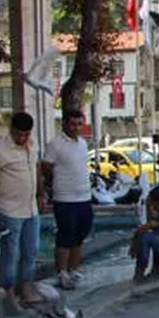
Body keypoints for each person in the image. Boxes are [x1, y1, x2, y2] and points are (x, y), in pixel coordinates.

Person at [0, 112, 45, 314]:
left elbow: (37, 169)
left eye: (25, 134)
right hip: (8, 210)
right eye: (18, 134)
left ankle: (26, 287)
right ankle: (8, 293)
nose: (22, 138)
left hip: (30, 209)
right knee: (10, 253)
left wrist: (41, 194)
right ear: (11, 130)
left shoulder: (32, 145)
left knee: (31, 250)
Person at [41, 108, 94, 289]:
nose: (76, 127)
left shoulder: (83, 143)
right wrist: (56, 181)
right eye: (73, 124)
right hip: (65, 198)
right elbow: (46, 166)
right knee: (65, 236)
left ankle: (73, 270)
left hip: (84, 197)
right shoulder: (55, 144)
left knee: (80, 235)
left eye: (80, 124)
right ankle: (62, 272)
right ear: (65, 124)